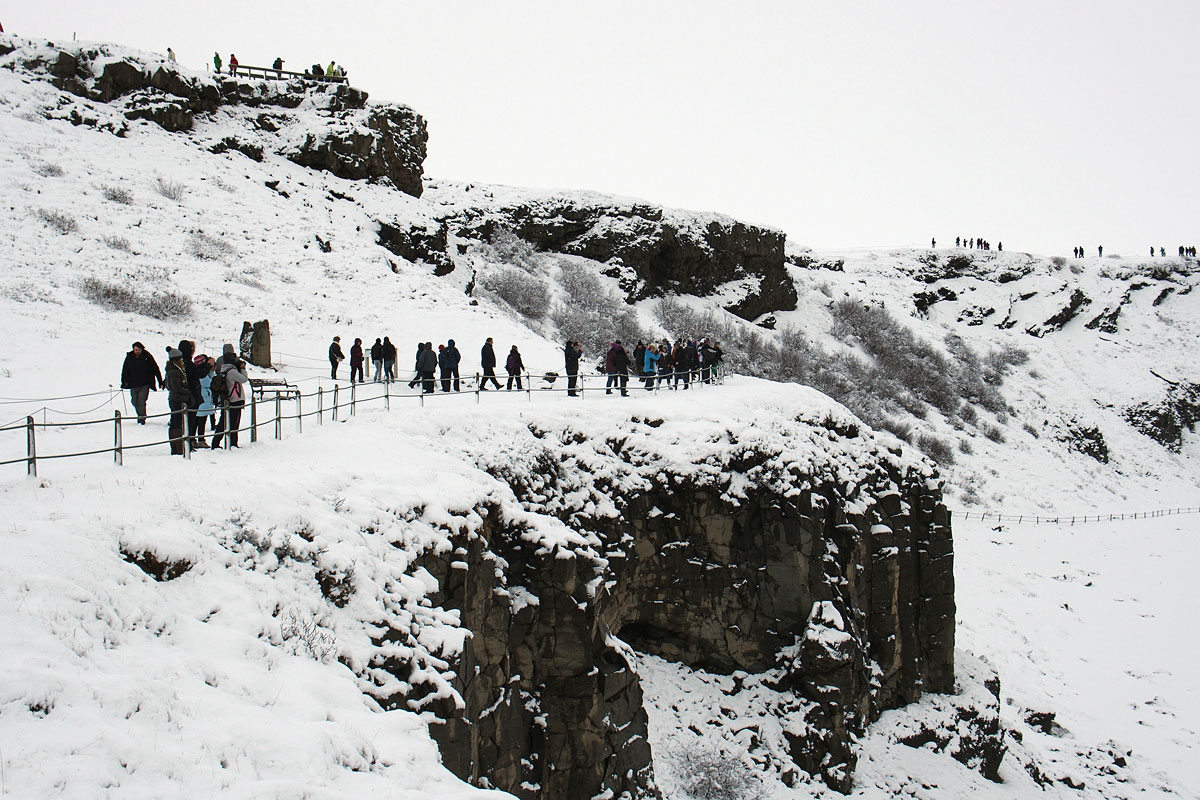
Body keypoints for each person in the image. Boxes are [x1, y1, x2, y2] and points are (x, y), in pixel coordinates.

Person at [120, 341, 163, 425]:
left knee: (141, 401)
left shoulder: (147, 357)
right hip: (133, 384)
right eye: (136, 350)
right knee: (134, 401)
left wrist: (160, 381)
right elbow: (125, 370)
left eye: (138, 350)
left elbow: (155, 368)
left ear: (142, 350)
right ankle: (141, 414)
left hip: (145, 383)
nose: (137, 351)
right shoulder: (129, 357)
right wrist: (124, 382)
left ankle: (141, 418)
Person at [211, 357, 248, 449]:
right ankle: (231, 443)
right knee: (232, 423)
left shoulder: (224, 369)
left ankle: (220, 442)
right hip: (234, 399)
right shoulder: (231, 371)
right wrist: (243, 369)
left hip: (227, 399)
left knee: (224, 422)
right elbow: (244, 379)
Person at [165, 349, 189, 456]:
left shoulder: (172, 370)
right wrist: (187, 391)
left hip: (174, 398)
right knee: (177, 423)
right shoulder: (174, 371)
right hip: (177, 399)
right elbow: (176, 387)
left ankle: (175, 446)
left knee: (175, 422)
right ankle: (178, 447)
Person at [194, 355, 217, 447]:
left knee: (198, 421)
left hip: (204, 399)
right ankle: (200, 439)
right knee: (200, 421)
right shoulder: (200, 374)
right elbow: (210, 382)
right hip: (203, 399)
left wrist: (211, 370)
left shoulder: (202, 372)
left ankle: (194, 438)